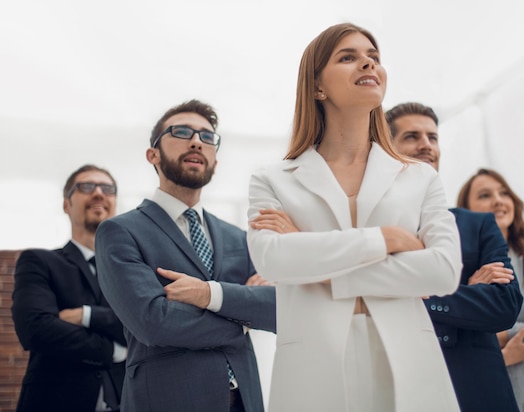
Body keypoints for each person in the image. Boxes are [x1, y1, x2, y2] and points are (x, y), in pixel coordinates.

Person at [247, 23, 462, 412]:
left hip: (406, 358)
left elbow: (444, 272)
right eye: (348, 57)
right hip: (313, 365)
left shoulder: (419, 177)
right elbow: (274, 260)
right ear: (317, 87)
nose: (368, 63)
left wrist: (318, 264)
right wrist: (389, 240)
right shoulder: (272, 179)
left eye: (373, 57)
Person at [95, 99, 276, 412]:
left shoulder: (239, 239)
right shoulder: (120, 232)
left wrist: (208, 298)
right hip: (167, 400)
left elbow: (276, 309)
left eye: (207, 137)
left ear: (215, 161)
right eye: (181, 132)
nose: (196, 141)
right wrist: (244, 319)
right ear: (153, 154)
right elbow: (154, 321)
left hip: (244, 401)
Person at [385, 102, 523, 411]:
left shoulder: (478, 224)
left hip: (480, 391)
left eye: (433, 137)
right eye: (412, 136)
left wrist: (419, 298)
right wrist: (470, 293)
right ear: (385, 147)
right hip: (405, 390)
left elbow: (505, 306)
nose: (426, 145)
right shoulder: (373, 228)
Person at [11, 164, 126, 412]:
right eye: (86, 186)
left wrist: (86, 315)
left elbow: (144, 326)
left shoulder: (130, 273)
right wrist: (113, 349)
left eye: (107, 188)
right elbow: (36, 329)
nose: (98, 193)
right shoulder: (39, 262)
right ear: (66, 205)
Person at [458, 167, 524, 412]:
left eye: (504, 193)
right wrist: (506, 354)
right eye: (485, 195)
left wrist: (499, 337)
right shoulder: (459, 270)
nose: (498, 200)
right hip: (484, 395)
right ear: (467, 212)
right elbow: (456, 341)